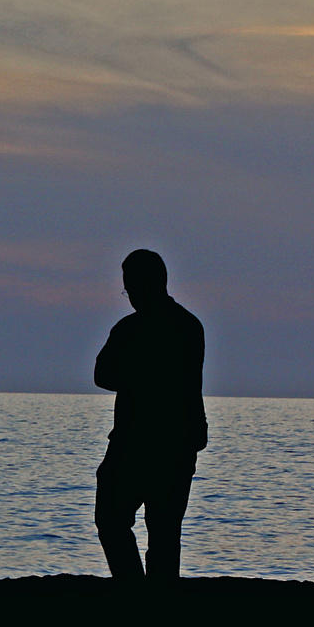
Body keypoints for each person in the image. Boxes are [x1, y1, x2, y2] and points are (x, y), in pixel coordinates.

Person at [93, 249, 207, 581]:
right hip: (176, 441)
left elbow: (103, 375)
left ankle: (133, 586)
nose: (129, 295)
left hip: (136, 441)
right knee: (164, 533)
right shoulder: (189, 325)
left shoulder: (130, 329)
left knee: (114, 520)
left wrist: (134, 378)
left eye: (130, 287)